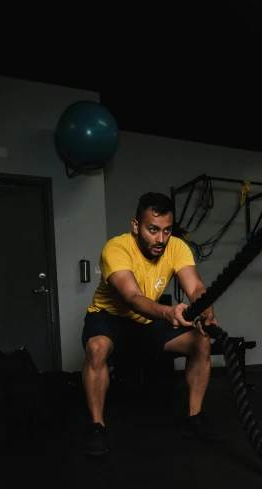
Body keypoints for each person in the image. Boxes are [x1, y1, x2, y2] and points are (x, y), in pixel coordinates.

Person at [81, 192, 219, 455]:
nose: (160, 239)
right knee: (97, 349)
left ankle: (194, 419)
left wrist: (207, 311)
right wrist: (168, 312)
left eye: (167, 230)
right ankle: (97, 427)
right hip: (110, 317)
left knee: (200, 341)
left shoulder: (176, 247)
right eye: (153, 230)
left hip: (148, 321)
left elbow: (196, 287)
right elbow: (133, 298)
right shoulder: (116, 248)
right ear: (136, 226)